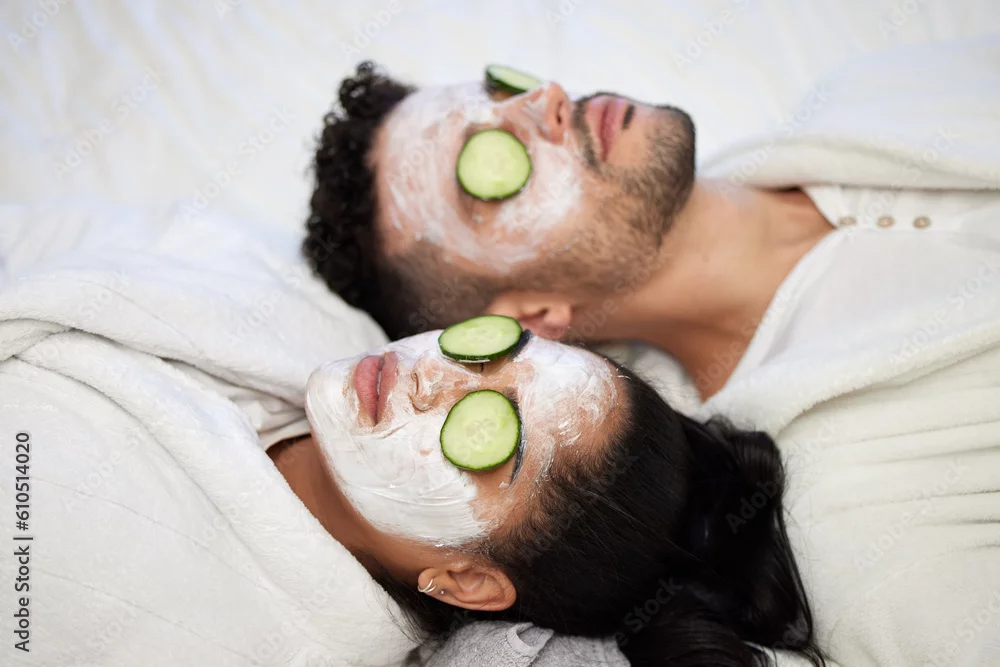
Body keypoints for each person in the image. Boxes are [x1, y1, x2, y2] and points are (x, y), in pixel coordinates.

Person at [303, 45, 1000, 667]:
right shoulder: (861, 506)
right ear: (530, 320)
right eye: (488, 161)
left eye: (503, 89)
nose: (546, 98)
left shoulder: (884, 83)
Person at [276, 326, 824, 667]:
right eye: (492, 351)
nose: (431, 373)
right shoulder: (319, 314)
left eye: (484, 430)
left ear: (468, 582)